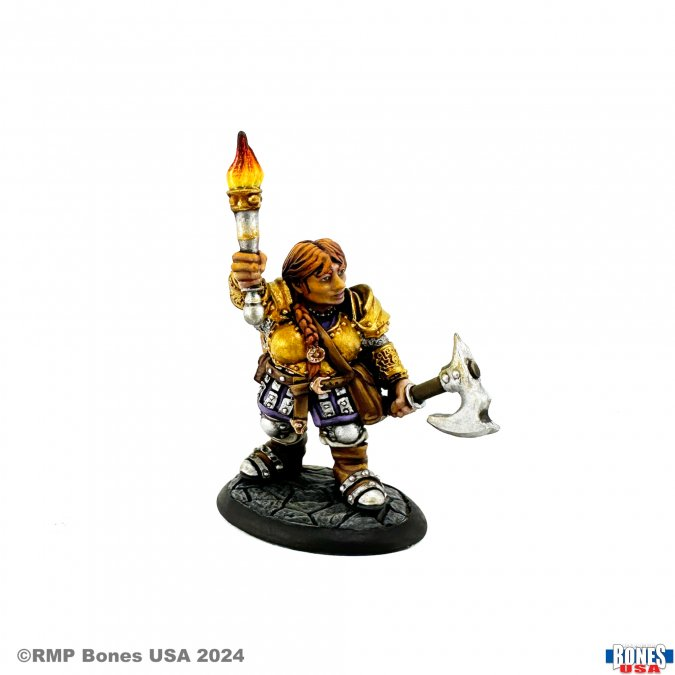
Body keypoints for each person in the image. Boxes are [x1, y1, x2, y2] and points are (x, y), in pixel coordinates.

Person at [229, 238, 416, 510]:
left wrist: (399, 380)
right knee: (277, 426)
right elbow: (248, 296)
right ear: (299, 283)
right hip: (286, 386)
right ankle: (283, 453)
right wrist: (244, 275)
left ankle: (352, 470)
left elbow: (379, 344)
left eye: (341, 273)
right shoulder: (277, 304)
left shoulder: (357, 305)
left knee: (346, 433)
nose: (339, 285)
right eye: (326, 278)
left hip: (338, 389)